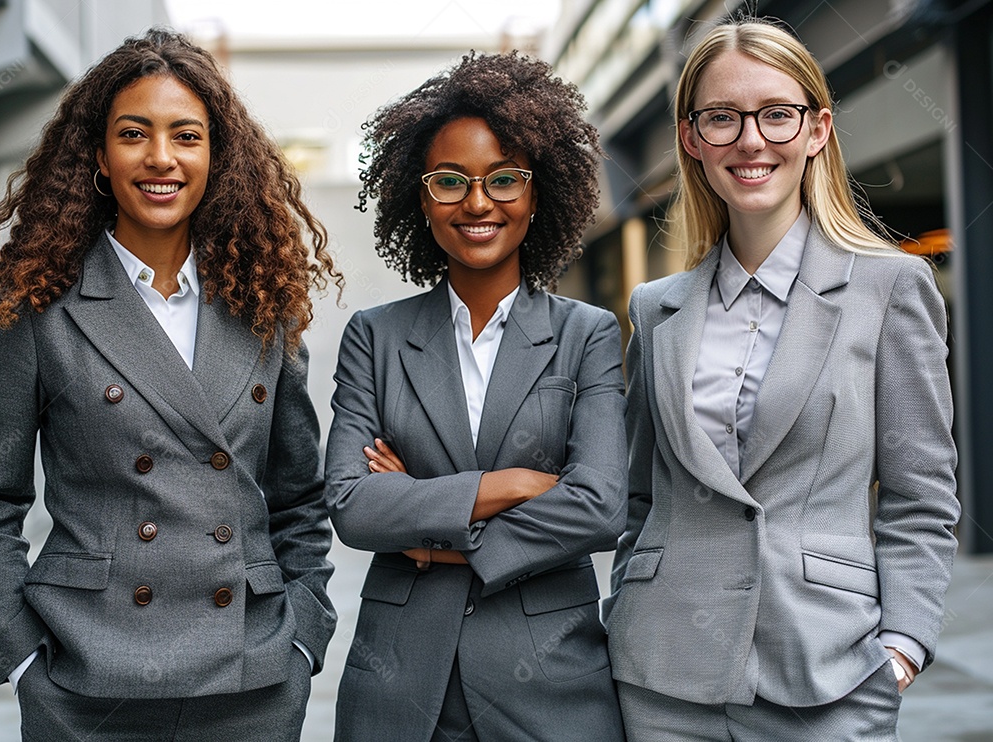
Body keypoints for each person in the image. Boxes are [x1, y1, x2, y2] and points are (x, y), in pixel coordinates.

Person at [0, 28, 341, 741]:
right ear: (100, 155)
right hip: (87, 676)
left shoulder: (264, 305)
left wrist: (303, 637)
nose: (161, 158)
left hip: (250, 680)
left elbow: (298, 499)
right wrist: (20, 655)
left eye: (186, 136)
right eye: (135, 134)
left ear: (214, 156)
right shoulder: (38, 303)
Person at [605, 17, 960, 741]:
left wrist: (902, 647)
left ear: (817, 128)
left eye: (776, 113)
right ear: (691, 138)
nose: (751, 139)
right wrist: (625, 609)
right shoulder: (656, 308)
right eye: (722, 118)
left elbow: (921, 495)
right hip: (662, 678)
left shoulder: (889, 288)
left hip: (830, 677)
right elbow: (643, 497)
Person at [324, 51, 627, 741]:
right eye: (451, 181)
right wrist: (512, 483)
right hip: (400, 691)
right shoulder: (375, 337)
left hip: (552, 689)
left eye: (504, 179)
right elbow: (352, 505)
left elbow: (601, 507)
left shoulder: (587, 336)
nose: (479, 202)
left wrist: (439, 544)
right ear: (420, 198)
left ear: (537, 193)